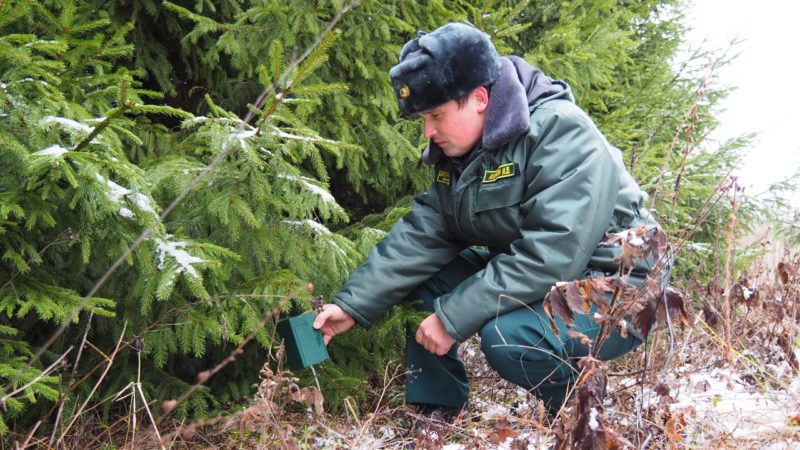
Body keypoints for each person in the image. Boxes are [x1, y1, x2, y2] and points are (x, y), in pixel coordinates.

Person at [313, 22, 662, 417]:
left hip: (617, 286)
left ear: (480, 98)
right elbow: (425, 233)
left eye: (436, 115)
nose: (428, 132)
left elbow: (551, 254)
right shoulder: (463, 152)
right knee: (427, 278)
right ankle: (436, 413)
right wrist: (351, 305)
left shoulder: (561, 131)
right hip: (553, 278)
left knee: (510, 336)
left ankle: (577, 412)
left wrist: (450, 319)